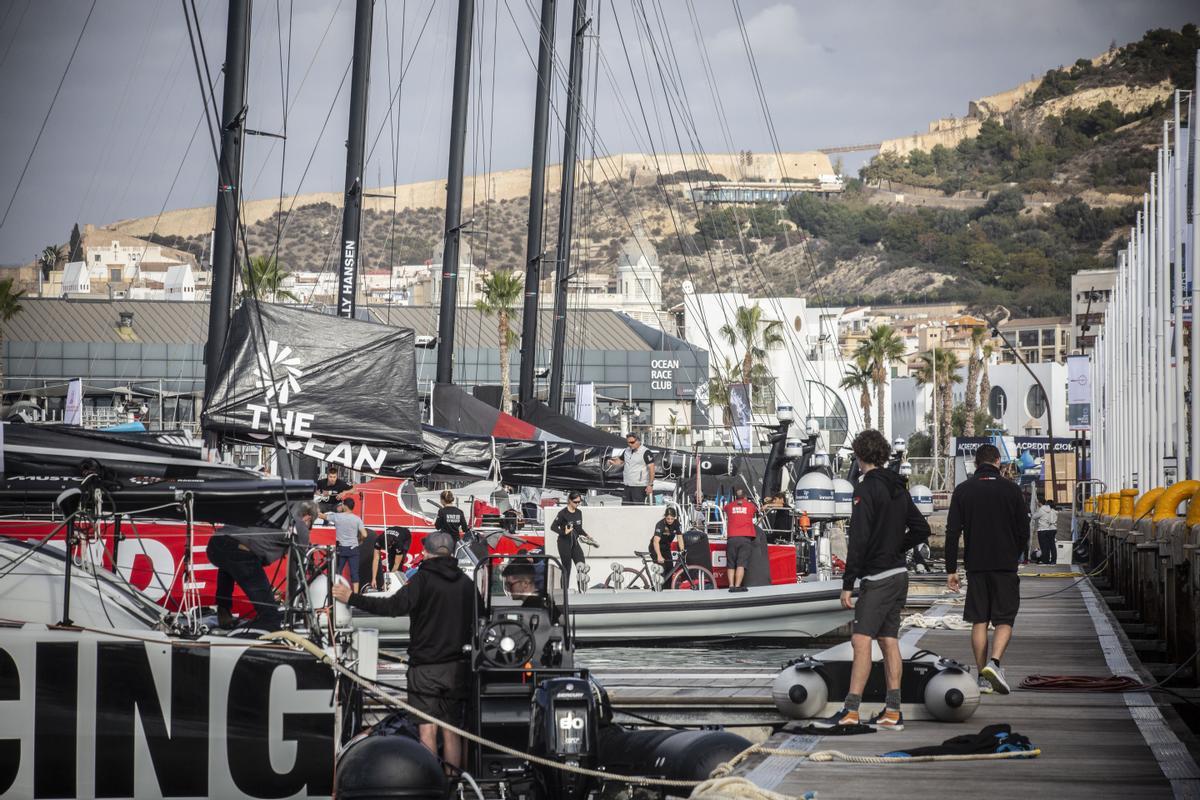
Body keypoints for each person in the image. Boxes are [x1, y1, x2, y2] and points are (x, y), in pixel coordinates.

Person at [333, 531, 478, 772]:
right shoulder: (467, 584)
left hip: (424, 667)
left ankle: (431, 781)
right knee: (452, 729)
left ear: (427, 553)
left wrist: (352, 598)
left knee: (426, 728)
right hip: (457, 667)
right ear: (451, 553)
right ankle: (456, 782)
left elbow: (391, 607)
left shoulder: (422, 580)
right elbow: (480, 619)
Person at [815, 430, 930, 732]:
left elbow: (859, 539)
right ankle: (893, 711)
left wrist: (847, 583)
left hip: (877, 577)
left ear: (859, 455)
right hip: (899, 575)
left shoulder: (864, 489)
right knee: (889, 640)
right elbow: (921, 528)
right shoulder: (898, 487)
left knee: (860, 640)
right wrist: (897, 548)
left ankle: (851, 710)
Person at [945, 443, 1030, 696]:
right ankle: (995, 663)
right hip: (1004, 565)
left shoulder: (963, 491)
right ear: (998, 462)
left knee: (979, 619)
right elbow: (1024, 531)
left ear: (975, 464)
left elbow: (952, 533)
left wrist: (952, 569)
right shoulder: (1012, 490)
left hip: (976, 565)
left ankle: (982, 675)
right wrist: (1013, 554)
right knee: (1004, 618)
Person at [207, 501, 317, 630]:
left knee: (228, 566)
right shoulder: (300, 525)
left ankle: (223, 612)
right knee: (271, 618)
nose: (308, 529)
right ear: (308, 517)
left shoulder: (273, 512)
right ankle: (248, 634)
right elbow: (295, 572)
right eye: (310, 525)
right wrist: (291, 605)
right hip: (240, 552)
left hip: (215, 544)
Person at [321, 497, 368, 593]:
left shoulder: (337, 516)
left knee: (337, 572)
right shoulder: (357, 519)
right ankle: (355, 596)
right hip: (353, 548)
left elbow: (323, 516)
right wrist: (360, 541)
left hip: (341, 549)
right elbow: (364, 534)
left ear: (345, 506)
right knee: (354, 574)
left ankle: (335, 593)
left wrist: (312, 510)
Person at [550, 491, 592, 590]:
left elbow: (579, 528)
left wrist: (587, 535)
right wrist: (564, 532)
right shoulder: (562, 513)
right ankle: (564, 592)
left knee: (581, 565)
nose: (577, 504)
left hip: (575, 543)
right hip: (564, 543)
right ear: (569, 500)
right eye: (575, 502)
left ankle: (582, 590)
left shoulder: (578, 512)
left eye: (579, 502)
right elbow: (553, 527)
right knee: (566, 568)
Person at [722, 487, 758, 591]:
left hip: (732, 538)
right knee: (741, 564)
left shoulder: (729, 506)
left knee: (731, 564)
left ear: (735, 497)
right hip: (745, 538)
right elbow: (756, 511)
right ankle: (737, 586)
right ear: (745, 497)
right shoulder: (750, 506)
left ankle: (731, 585)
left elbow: (725, 508)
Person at [608, 433, 656, 505]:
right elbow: (620, 461)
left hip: (639, 486)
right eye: (628, 442)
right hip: (627, 485)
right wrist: (613, 463)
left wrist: (650, 485)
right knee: (626, 508)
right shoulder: (626, 451)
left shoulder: (646, 452)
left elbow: (652, 469)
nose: (630, 444)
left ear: (638, 441)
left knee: (637, 510)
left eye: (632, 442)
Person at [650, 507, 683, 580]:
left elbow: (680, 538)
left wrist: (682, 550)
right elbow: (656, 541)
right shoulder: (660, 524)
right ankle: (659, 588)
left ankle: (668, 589)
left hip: (666, 547)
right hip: (656, 548)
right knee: (662, 569)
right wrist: (659, 556)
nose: (670, 521)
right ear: (665, 517)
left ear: (675, 517)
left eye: (672, 518)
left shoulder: (676, 523)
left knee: (670, 569)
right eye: (668, 518)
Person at [1034, 499, 1058, 565]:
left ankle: (1045, 560)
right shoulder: (1054, 511)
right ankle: (1053, 560)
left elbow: (1034, 517)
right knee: (1052, 546)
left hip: (1043, 529)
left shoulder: (1042, 509)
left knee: (1044, 546)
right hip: (1053, 529)